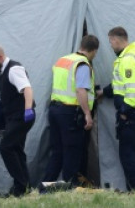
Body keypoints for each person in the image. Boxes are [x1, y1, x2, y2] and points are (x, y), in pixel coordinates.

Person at [99, 26, 135, 191]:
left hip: (131, 112)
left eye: (110, 42)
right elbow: (119, 84)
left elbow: (132, 92)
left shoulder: (128, 60)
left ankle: (134, 190)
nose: (111, 46)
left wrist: (123, 112)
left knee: (127, 153)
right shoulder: (134, 55)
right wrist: (104, 92)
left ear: (116, 40)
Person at [44, 35, 99, 186]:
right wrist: (87, 114)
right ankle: (70, 188)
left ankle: (45, 188)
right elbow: (81, 90)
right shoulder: (82, 65)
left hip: (55, 109)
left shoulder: (63, 60)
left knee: (57, 152)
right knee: (72, 151)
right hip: (70, 113)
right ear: (94, 51)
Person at [0, 43, 35, 197]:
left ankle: (21, 187)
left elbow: (27, 88)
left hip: (21, 117)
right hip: (13, 117)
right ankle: (24, 188)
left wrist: (28, 109)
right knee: (17, 150)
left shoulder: (14, 69)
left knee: (6, 147)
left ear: (0, 57)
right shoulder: (3, 71)